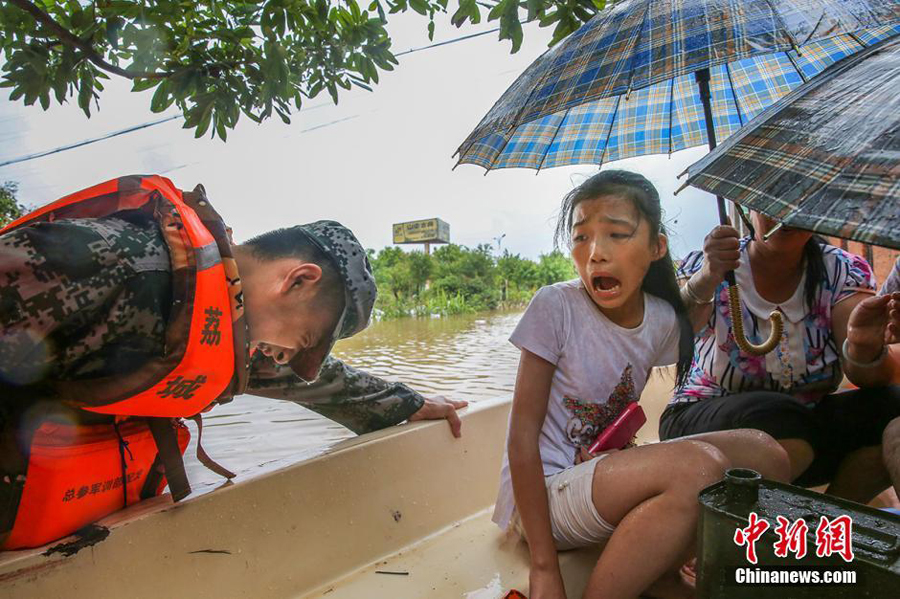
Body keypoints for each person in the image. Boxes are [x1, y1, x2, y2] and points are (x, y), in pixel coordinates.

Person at [0, 175, 465, 547]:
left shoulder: (222, 330)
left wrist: (410, 403)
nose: (289, 358)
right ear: (298, 281)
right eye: (304, 340)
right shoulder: (117, 260)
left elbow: (320, 384)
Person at [497, 171, 788, 599]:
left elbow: (685, 314)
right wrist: (545, 567)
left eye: (617, 234)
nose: (595, 254)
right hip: (544, 496)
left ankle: (663, 570)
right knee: (697, 467)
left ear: (657, 248)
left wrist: (712, 270)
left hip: (602, 474)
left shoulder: (659, 318)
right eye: (581, 237)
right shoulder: (555, 306)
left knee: (767, 454)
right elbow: (520, 438)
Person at [661, 216, 900, 505]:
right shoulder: (707, 264)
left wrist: (862, 346)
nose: (784, 217)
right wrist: (708, 276)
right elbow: (669, 341)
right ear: (747, 206)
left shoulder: (842, 271)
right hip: (705, 421)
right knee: (783, 417)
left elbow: (868, 378)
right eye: (770, 206)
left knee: (890, 406)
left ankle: (827, 523)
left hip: (804, 426)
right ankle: (748, 532)